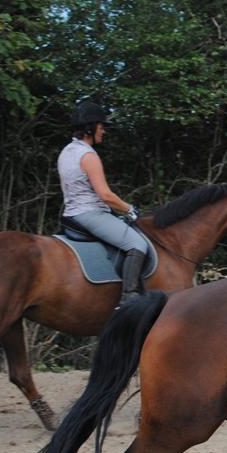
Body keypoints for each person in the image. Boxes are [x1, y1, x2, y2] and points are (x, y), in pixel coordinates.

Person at [58, 100, 151, 305]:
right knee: (138, 244)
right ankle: (129, 298)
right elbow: (105, 195)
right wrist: (130, 210)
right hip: (90, 214)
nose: (104, 131)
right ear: (90, 128)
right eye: (101, 127)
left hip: (71, 214)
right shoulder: (88, 156)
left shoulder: (66, 152)